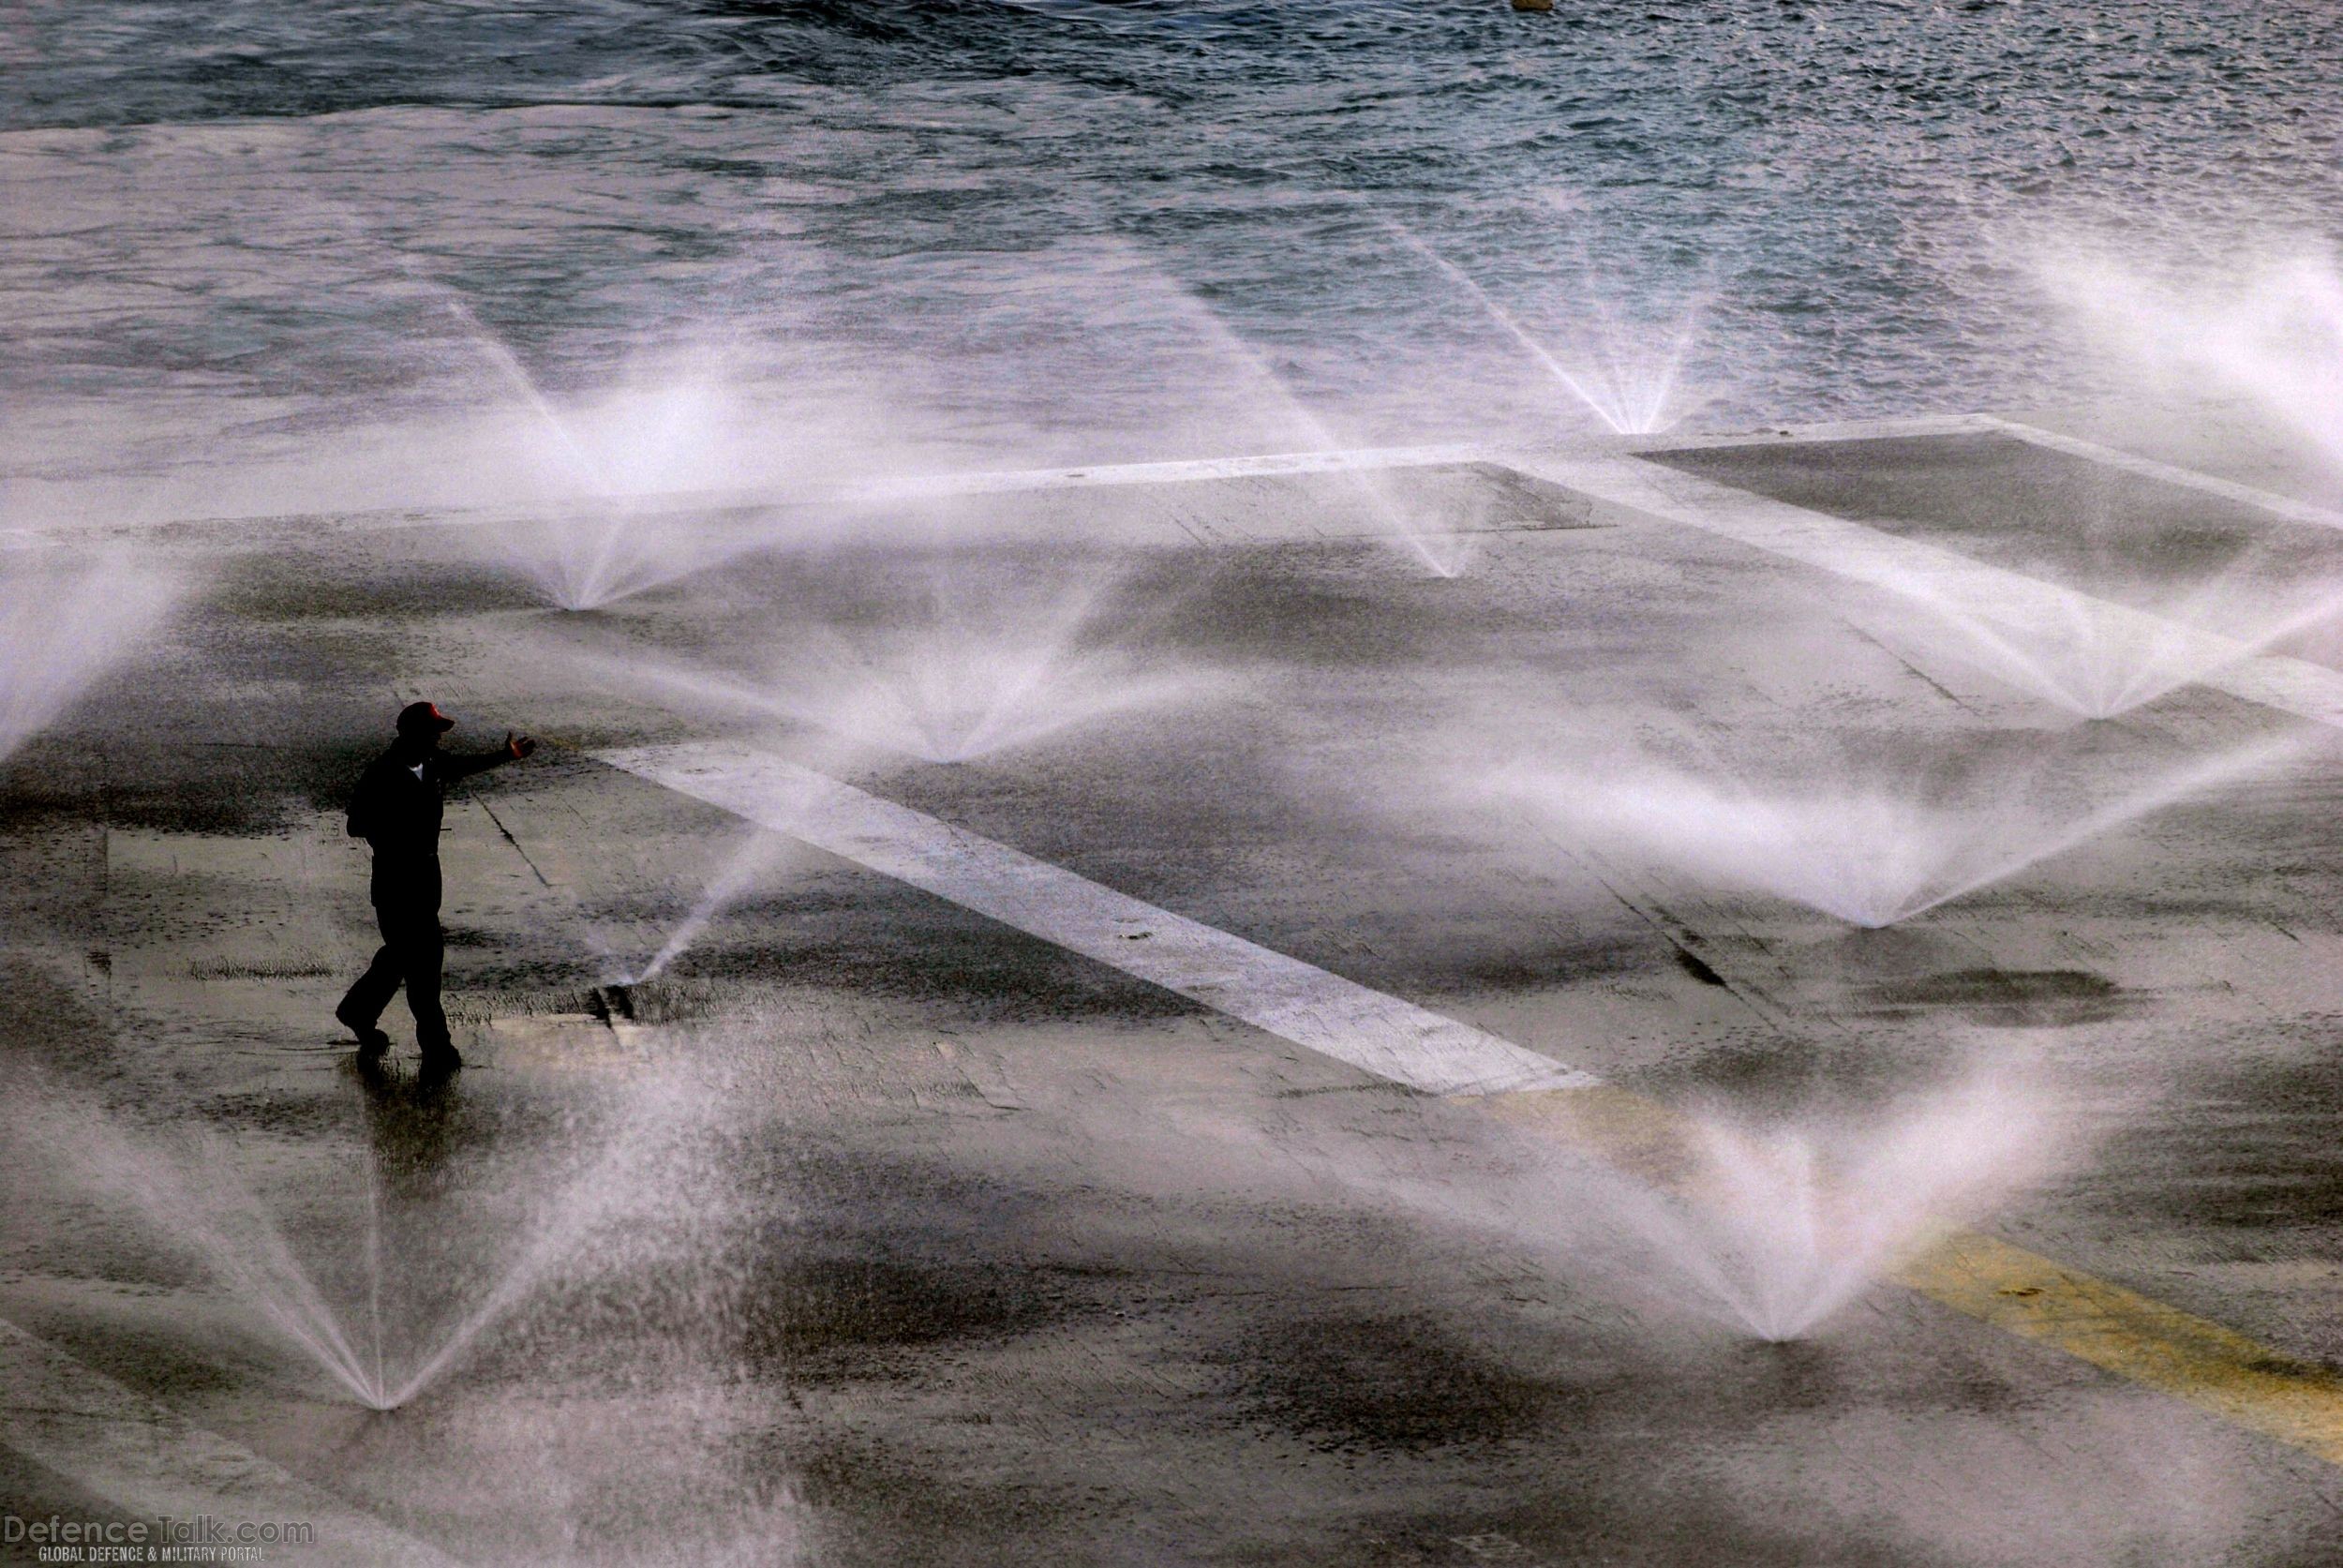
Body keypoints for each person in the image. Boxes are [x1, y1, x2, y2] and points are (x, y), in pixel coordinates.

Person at [335, 701, 537, 1070]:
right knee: (424, 969)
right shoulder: (382, 772)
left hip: (425, 887)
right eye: (432, 732)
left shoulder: (431, 764)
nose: (438, 739)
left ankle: (357, 1011)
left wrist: (506, 755)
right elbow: (356, 824)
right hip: (396, 890)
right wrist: (396, 838)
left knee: (400, 958)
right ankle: (437, 1049)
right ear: (411, 734)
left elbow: (464, 765)